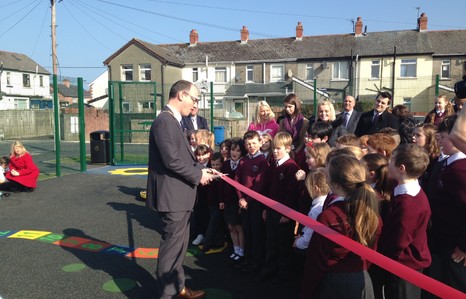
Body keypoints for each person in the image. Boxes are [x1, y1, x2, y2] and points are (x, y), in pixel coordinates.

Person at [145, 80, 218, 299]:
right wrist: (199, 174)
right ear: (182, 95)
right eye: (194, 99)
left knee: (179, 246)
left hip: (180, 196)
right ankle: (168, 294)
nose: (195, 105)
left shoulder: (174, 121)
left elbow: (180, 159)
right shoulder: (165, 122)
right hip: (173, 198)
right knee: (171, 249)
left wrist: (202, 168)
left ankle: (179, 288)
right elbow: (172, 161)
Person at [301, 155, 381, 299]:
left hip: (334, 281)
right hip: (362, 278)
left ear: (335, 184)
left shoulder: (329, 217)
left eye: (328, 175)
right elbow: (371, 252)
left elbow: (315, 262)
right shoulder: (372, 213)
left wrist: (307, 292)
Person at [371, 144, 431, 299]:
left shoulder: (407, 204)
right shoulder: (405, 191)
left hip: (404, 267)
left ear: (401, 168)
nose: (388, 164)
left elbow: (398, 241)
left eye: (391, 161)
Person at [426, 114, 466, 295]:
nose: (439, 141)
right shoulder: (446, 164)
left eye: (443, 137)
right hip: (442, 240)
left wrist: (464, 246)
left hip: (454, 246)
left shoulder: (460, 169)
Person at [255, 132, 300, 283]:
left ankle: (284, 274)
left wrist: (287, 214)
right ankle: (269, 270)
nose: (274, 151)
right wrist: (266, 209)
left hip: (284, 214)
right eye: (274, 148)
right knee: (271, 242)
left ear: (288, 148)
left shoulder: (291, 167)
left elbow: (291, 194)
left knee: (283, 245)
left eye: (278, 148)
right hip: (272, 211)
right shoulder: (274, 165)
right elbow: (269, 190)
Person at [234, 130, 269, 273]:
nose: (251, 146)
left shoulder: (262, 161)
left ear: (260, 143)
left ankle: (256, 262)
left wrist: (247, 199)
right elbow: (236, 180)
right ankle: (247, 260)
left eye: (254, 143)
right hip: (244, 203)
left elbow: (260, 185)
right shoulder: (243, 160)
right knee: (247, 232)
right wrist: (241, 198)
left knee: (256, 234)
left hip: (255, 204)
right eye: (248, 144)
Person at [220, 138, 247, 265]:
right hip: (228, 200)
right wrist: (222, 200)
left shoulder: (243, 164)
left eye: (237, 150)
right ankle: (235, 249)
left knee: (238, 227)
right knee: (230, 226)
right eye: (232, 150)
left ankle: (242, 251)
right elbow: (222, 183)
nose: (234, 153)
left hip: (238, 201)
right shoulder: (226, 164)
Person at [201, 152, 225, 252]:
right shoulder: (210, 174)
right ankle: (207, 243)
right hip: (212, 203)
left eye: (217, 165)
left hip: (218, 202)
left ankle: (219, 241)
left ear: (222, 164)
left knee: (218, 222)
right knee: (213, 222)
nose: (215, 167)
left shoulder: (222, 175)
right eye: (213, 165)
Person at [279, 93, 309, 170]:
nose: (287, 109)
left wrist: (295, 152)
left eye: (290, 107)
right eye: (285, 107)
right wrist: (288, 151)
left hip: (299, 152)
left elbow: (303, 140)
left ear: (296, 106)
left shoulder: (304, 121)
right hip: (285, 152)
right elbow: (279, 138)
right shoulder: (282, 121)